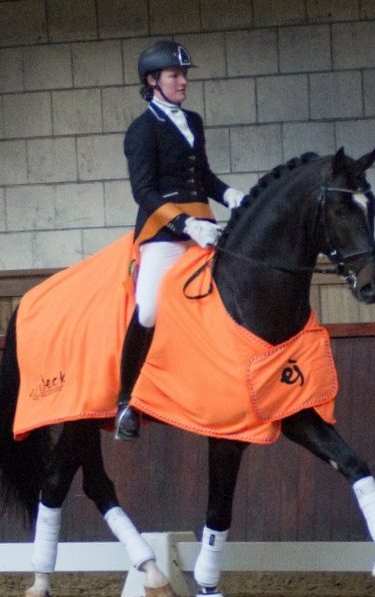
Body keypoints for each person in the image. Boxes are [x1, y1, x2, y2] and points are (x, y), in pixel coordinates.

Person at [115, 40, 245, 440]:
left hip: (204, 225)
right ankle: (126, 401)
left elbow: (202, 176)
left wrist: (230, 196)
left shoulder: (194, 120)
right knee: (150, 307)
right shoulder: (141, 130)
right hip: (164, 231)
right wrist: (186, 225)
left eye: (185, 74)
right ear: (153, 81)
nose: (183, 81)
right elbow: (144, 192)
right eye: (175, 75)